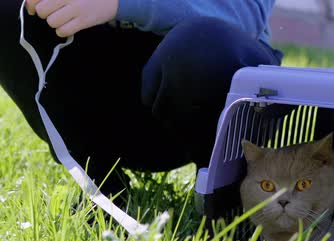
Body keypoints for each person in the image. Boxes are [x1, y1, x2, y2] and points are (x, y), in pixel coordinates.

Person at [0, 0, 282, 205]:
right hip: (112, 95)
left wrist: (120, 3)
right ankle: (101, 185)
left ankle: (224, 198)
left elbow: (243, 12)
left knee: (202, 42)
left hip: (206, 88)